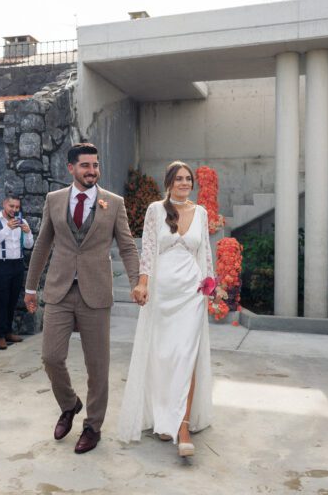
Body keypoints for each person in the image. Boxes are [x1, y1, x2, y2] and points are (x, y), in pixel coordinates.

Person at [25, 143, 140, 454]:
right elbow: (42, 245)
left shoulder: (113, 203)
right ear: (71, 168)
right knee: (51, 357)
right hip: (59, 289)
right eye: (85, 165)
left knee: (97, 365)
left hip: (96, 292)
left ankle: (92, 427)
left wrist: (136, 281)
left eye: (95, 165)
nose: (92, 171)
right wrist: (31, 287)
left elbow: (128, 247)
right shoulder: (54, 200)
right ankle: (69, 404)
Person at [118, 161, 216, 457]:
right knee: (163, 357)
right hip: (162, 293)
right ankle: (164, 418)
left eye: (189, 179)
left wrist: (210, 287)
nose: (185, 183)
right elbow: (147, 250)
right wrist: (143, 283)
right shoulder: (155, 211)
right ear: (169, 182)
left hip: (191, 295)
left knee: (187, 356)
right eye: (179, 179)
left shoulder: (200, 213)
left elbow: (205, 253)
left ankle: (183, 425)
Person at [0, 194, 34, 349]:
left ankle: (7, 331)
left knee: (12, 299)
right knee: (0, 300)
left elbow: (28, 245)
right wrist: (8, 228)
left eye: (17, 207)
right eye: (11, 206)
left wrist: (27, 232)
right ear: (4, 204)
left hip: (17, 264)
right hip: (0, 264)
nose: (14, 210)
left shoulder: (22, 221)